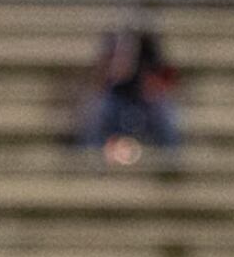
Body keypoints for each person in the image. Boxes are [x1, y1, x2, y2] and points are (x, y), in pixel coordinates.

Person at [74, 10, 182, 161]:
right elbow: (101, 75)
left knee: (167, 116)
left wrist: (151, 85)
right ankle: (90, 160)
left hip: (146, 101)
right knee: (96, 113)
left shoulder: (149, 45)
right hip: (116, 97)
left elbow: (163, 76)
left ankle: (171, 163)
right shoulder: (113, 42)